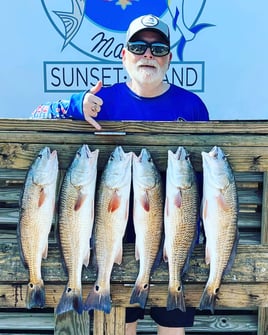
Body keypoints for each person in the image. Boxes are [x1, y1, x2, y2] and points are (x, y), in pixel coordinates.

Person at [32, 14, 209, 335]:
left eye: (158, 49)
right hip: (114, 231)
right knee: (121, 323)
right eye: (139, 46)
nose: (148, 55)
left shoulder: (192, 105)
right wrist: (74, 105)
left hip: (174, 230)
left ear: (169, 58)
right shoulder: (102, 100)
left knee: (172, 325)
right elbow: (37, 117)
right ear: (123, 54)